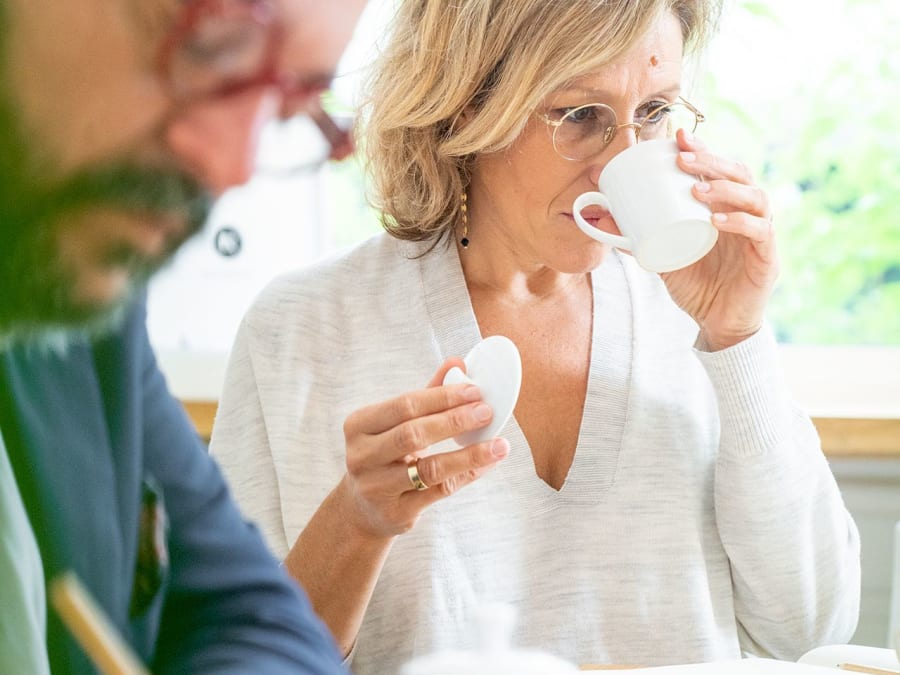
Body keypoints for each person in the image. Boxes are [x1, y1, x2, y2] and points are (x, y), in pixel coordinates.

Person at [210, 0, 862, 671]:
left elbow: (808, 627)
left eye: (656, 111)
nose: (622, 163)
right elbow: (238, 656)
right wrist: (355, 519)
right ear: (466, 105)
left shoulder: (695, 315)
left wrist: (738, 337)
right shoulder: (301, 331)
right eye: (582, 116)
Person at [0, 0, 367, 672]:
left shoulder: (71, 313)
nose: (231, 164)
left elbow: (247, 613)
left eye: (291, 106)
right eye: (214, 49)